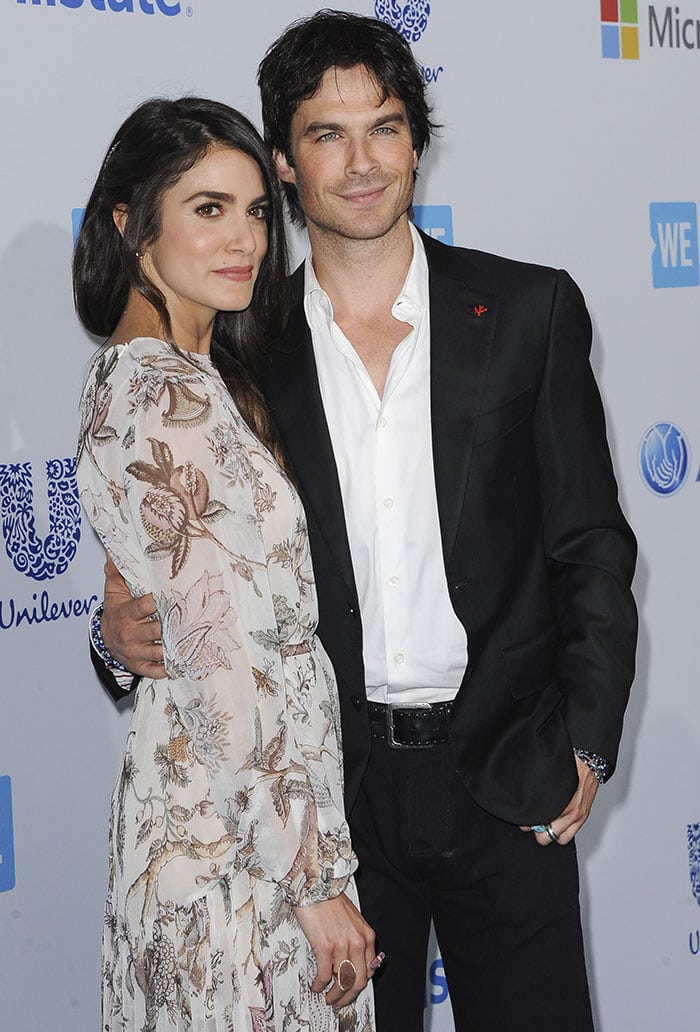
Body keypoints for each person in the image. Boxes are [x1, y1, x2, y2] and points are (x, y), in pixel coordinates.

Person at [89, 13, 638, 1032]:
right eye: (325, 135)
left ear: (415, 143)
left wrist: (587, 740)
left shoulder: (529, 312)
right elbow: (189, 568)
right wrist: (111, 635)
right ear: (285, 165)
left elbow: (590, 545)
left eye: (383, 128)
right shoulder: (234, 356)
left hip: (504, 775)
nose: (360, 163)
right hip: (330, 800)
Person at [74, 95, 378, 1032]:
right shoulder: (169, 397)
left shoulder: (168, 377)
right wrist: (313, 881)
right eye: (207, 208)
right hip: (240, 848)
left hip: (213, 818)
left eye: (254, 209)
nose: (244, 236)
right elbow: (226, 661)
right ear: (131, 224)